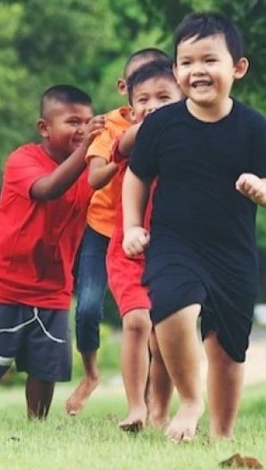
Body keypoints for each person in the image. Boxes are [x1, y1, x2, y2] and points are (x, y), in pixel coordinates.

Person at [121, 12, 266, 442]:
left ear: (237, 67)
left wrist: (261, 189)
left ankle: (223, 433)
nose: (197, 70)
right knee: (173, 308)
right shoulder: (161, 125)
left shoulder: (253, 127)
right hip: (174, 243)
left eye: (209, 60)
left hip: (233, 252)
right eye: (186, 61)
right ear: (177, 72)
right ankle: (191, 401)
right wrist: (131, 227)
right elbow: (135, 177)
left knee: (228, 350)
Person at [0, 85, 105, 420]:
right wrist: (86, 149)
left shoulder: (90, 171)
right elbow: (49, 189)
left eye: (87, 122)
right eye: (72, 122)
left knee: (47, 359)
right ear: (44, 128)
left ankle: (35, 422)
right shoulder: (23, 160)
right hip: (5, 274)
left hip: (54, 279)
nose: (82, 130)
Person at [66, 47, 171, 416]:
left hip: (154, 231)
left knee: (155, 323)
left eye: (162, 90)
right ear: (126, 89)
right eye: (142, 91)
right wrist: (122, 157)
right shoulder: (111, 127)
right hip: (104, 229)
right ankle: (94, 375)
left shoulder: (177, 123)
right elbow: (94, 177)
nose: (152, 100)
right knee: (91, 308)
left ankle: (150, 400)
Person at [103, 60, 183, 432]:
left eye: (164, 97)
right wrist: (151, 122)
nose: (152, 105)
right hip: (129, 250)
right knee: (136, 322)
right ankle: (135, 406)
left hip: (172, 251)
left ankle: (160, 409)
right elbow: (124, 143)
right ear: (132, 108)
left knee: (164, 332)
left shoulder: (189, 142)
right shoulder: (133, 138)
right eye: (144, 99)